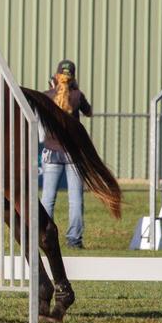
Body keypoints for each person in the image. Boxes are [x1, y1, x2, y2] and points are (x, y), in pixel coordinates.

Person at [40, 59, 92, 249]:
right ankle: (74, 240)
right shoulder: (77, 95)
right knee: (75, 198)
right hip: (74, 154)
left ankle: (43, 234)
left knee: (47, 198)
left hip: (52, 153)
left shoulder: (47, 95)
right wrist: (75, 90)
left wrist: (52, 88)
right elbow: (89, 112)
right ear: (73, 77)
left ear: (56, 75)